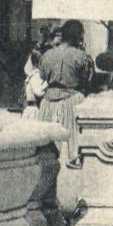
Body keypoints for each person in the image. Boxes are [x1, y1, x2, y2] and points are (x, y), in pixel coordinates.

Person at [37, 18, 93, 166]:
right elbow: (86, 80)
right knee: (81, 102)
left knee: (45, 135)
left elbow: (42, 76)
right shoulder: (81, 56)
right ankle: (74, 154)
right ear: (78, 36)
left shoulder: (47, 54)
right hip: (71, 98)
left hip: (48, 99)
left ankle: (45, 154)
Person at [21, 42, 48, 119]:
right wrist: (47, 84)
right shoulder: (36, 75)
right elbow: (38, 91)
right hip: (33, 108)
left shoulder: (32, 75)